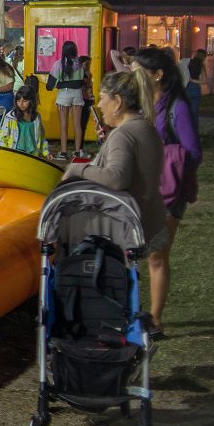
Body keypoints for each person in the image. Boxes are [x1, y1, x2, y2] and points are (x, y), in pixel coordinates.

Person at [62, 67, 169, 335]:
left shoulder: (124, 134)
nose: (99, 104)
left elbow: (117, 178)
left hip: (129, 225)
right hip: (154, 217)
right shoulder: (145, 126)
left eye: (102, 98)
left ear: (118, 102)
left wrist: (78, 168)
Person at [134, 46, 202, 336]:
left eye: (139, 73)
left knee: (156, 255)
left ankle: (156, 320)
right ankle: (145, 315)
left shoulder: (177, 107)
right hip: (147, 188)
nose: (133, 78)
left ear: (158, 75)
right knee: (145, 252)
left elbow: (194, 152)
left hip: (170, 191)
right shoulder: (144, 103)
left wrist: (162, 156)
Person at [47, 40, 86, 158]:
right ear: (75, 50)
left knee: (64, 125)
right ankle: (78, 151)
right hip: (78, 94)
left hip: (64, 94)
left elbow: (50, 85)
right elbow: (82, 80)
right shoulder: (79, 63)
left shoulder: (58, 64)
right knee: (77, 124)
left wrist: (57, 85)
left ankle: (64, 152)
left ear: (63, 51)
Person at [0, 85, 51, 158]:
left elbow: (42, 137)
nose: (21, 104)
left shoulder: (37, 117)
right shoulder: (10, 117)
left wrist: (46, 152)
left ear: (32, 101)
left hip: (32, 155)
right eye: (18, 101)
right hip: (14, 154)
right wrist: (5, 154)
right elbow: (2, 137)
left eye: (25, 101)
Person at [184, 48, 206, 119]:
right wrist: (193, 80)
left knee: (185, 111)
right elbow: (204, 80)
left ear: (195, 54)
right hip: (195, 88)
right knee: (194, 112)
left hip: (186, 87)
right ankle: (194, 128)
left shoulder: (187, 63)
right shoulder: (202, 66)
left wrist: (188, 79)